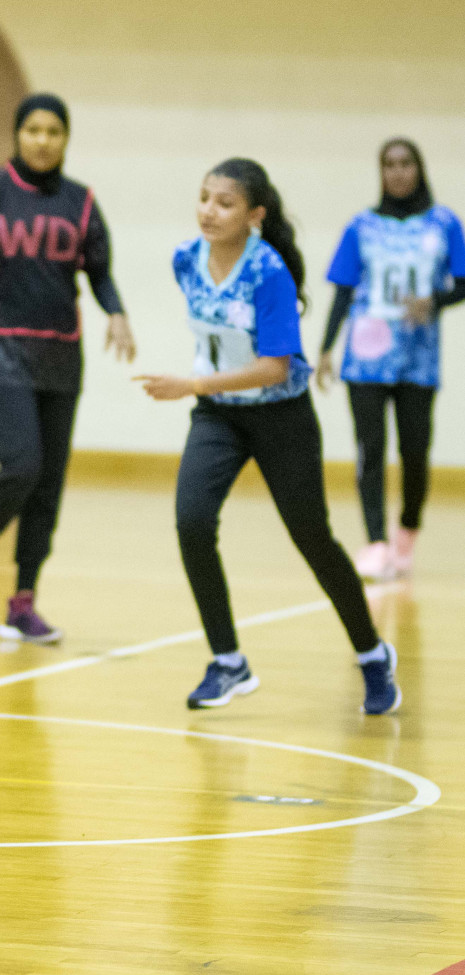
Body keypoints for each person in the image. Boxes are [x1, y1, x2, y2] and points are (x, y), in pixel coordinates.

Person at [136, 157, 401, 715]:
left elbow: (275, 367)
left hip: (281, 418)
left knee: (312, 538)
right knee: (191, 521)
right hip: (218, 417)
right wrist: (204, 392)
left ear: (254, 215)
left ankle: (373, 653)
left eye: (225, 203)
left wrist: (191, 384)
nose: (209, 211)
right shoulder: (185, 260)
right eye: (205, 197)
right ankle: (228, 662)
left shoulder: (269, 272)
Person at [0, 93, 136, 643]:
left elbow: (101, 273)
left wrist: (117, 313)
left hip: (62, 357)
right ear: (17, 134)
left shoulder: (81, 202)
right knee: (21, 464)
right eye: (34, 130)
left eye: (54, 131)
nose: (43, 140)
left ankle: (23, 601)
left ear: (66, 139)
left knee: (48, 485)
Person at [317, 138, 465, 580]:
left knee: (415, 450)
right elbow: (343, 290)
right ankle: (376, 542)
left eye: (406, 164)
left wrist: (435, 300)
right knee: (369, 448)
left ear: (419, 169)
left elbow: (462, 282)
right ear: (380, 172)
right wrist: (326, 348)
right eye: (389, 165)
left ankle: (406, 532)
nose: (398, 172)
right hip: (365, 354)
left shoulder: (443, 223)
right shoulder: (360, 226)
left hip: (417, 358)